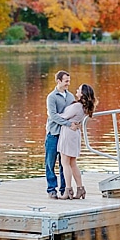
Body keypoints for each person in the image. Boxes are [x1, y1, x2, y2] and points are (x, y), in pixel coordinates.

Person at [57, 83, 97, 200]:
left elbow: (63, 117)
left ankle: (68, 190)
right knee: (73, 163)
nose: (76, 90)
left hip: (68, 134)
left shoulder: (77, 106)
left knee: (65, 163)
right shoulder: (85, 108)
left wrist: (52, 114)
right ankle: (80, 189)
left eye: (79, 90)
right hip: (75, 134)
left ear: (82, 94)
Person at [45, 70, 78, 199]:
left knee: (65, 163)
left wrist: (75, 123)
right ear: (58, 81)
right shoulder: (51, 97)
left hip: (66, 135)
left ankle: (65, 189)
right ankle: (51, 189)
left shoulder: (70, 97)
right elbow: (52, 116)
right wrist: (68, 124)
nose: (68, 84)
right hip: (53, 133)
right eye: (66, 81)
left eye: (69, 81)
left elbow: (74, 112)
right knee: (50, 162)